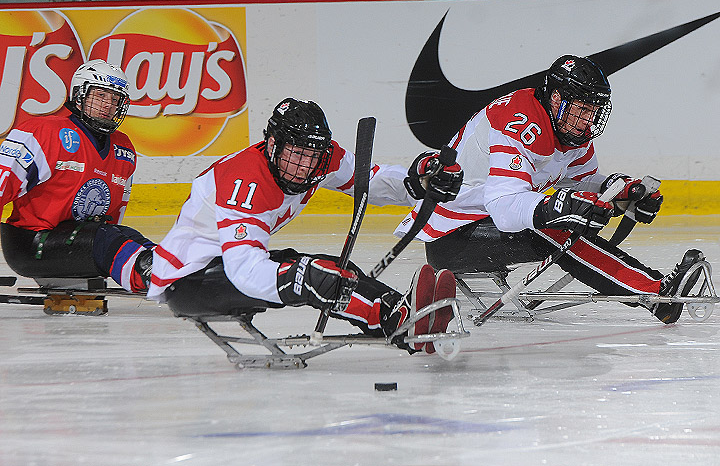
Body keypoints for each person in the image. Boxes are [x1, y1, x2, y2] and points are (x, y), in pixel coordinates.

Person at [395, 55, 705, 324]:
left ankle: (653, 290)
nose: (586, 122)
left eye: (592, 113)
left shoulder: (568, 131)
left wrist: (621, 190)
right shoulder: (517, 121)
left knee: (562, 219)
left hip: (478, 224)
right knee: (556, 228)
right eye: (579, 110)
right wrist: (558, 208)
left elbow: (583, 182)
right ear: (556, 98)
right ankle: (656, 295)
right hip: (452, 237)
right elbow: (504, 206)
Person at [148, 98, 464, 353]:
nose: (302, 166)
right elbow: (244, 270)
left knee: (334, 269)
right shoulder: (244, 183)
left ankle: (402, 315)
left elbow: (370, 181)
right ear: (272, 144)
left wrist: (420, 181)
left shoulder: (319, 161)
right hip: (190, 281)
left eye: (311, 156)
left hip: (225, 264)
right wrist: (299, 279)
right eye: (295, 154)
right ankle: (394, 319)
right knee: (312, 275)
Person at [0, 60, 154, 294]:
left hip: (83, 240)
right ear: (80, 95)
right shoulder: (42, 133)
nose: (107, 105)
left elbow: (112, 217)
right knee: (105, 237)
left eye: (114, 100)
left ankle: (175, 270)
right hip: (31, 244)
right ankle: (155, 277)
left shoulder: (124, 149)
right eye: (100, 95)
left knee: (127, 236)